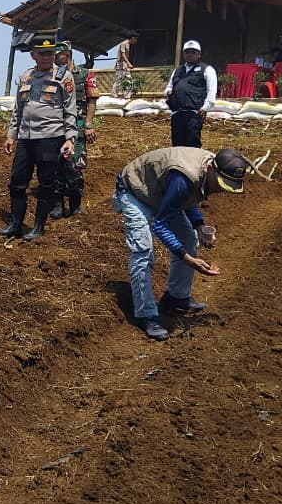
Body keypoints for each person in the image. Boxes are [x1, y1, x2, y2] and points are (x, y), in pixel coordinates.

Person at [112, 147, 249, 340]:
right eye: (221, 183)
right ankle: (147, 314)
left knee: (189, 237)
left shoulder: (207, 169)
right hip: (134, 191)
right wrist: (188, 258)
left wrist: (199, 225)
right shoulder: (184, 176)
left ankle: (177, 298)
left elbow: (187, 198)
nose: (221, 189)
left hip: (160, 192)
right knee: (143, 251)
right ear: (211, 169)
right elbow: (160, 224)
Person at [0, 34, 77, 242]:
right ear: (33, 55)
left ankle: (38, 226)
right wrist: (11, 135)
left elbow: (70, 111)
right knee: (17, 181)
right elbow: (18, 109)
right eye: (42, 54)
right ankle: (15, 223)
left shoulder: (64, 77)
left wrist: (70, 138)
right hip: (26, 137)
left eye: (50, 53)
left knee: (46, 184)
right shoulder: (26, 77)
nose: (46, 57)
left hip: (50, 137)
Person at [54, 43, 99, 219]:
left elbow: (92, 100)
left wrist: (88, 123)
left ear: (66, 54)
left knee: (75, 165)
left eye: (57, 55)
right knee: (57, 166)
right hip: (57, 125)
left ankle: (75, 205)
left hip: (78, 124)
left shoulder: (85, 74)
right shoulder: (55, 75)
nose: (55, 59)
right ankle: (58, 204)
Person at [165, 40, 217, 148]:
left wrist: (205, 108)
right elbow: (169, 86)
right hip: (177, 113)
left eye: (193, 52)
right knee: (177, 144)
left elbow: (211, 91)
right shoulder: (178, 71)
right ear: (183, 54)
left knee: (192, 144)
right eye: (187, 52)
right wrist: (168, 92)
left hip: (194, 113)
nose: (190, 54)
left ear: (199, 54)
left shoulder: (207, 70)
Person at [112, 32, 138, 96]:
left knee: (128, 81)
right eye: (136, 39)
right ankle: (114, 95)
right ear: (133, 38)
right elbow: (123, 54)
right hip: (120, 65)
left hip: (125, 66)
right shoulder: (123, 44)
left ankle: (127, 96)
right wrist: (129, 63)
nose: (136, 41)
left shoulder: (128, 44)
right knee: (118, 81)